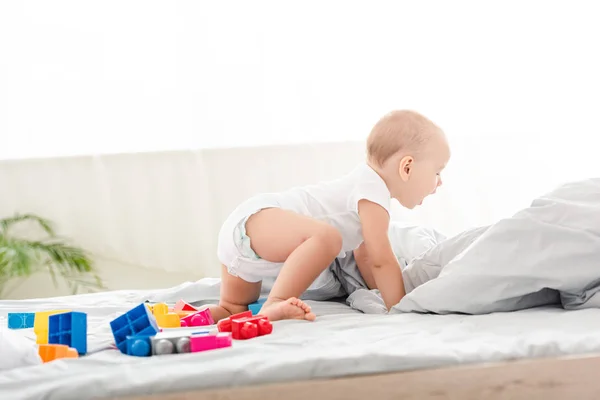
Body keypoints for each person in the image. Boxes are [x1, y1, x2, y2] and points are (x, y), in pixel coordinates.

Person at [209, 110, 451, 322]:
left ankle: (187, 315)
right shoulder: (373, 191)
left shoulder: (365, 188)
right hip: (258, 220)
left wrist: (378, 294)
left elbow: (366, 257)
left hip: (243, 237)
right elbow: (382, 259)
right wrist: (401, 309)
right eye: (437, 172)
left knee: (233, 309)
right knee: (328, 238)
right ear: (406, 167)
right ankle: (276, 302)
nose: (439, 183)